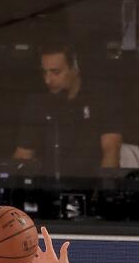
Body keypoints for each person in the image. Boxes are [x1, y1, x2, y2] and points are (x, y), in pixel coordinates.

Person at [13, 41, 122, 176]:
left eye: (55, 72)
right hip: (47, 185)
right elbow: (23, 155)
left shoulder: (101, 97)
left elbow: (111, 151)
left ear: (75, 68)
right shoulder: (37, 102)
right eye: (44, 72)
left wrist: (104, 191)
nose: (47, 80)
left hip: (90, 184)